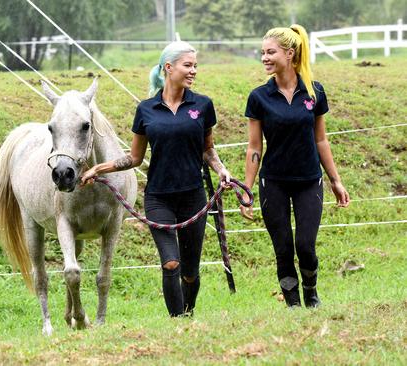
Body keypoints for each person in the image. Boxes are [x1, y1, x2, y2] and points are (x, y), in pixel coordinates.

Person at [80, 42, 231, 317]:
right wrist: (97, 169)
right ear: (168, 68)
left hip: (193, 197)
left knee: (190, 271)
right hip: (159, 197)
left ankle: (188, 313)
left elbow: (207, 149)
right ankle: (177, 322)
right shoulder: (146, 109)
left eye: (195, 65)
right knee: (171, 263)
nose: (193, 70)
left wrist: (221, 169)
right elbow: (134, 158)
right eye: (188, 65)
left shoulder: (202, 105)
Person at [240, 24, 350, 308]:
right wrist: (247, 188)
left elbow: (321, 140)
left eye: (270, 52)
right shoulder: (259, 97)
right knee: (283, 248)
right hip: (273, 182)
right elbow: (254, 147)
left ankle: (311, 294)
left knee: (305, 245)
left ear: (289, 53)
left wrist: (336, 180)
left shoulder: (314, 93)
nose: (264, 57)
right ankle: (292, 304)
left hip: (308, 180)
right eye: (262, 52)